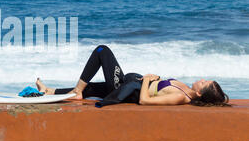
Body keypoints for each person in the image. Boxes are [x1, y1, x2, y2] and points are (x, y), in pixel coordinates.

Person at [36, 45, 230, 106]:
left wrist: (146, 80)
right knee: (95, 87)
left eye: (204, 83)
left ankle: (77, 91)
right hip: (127, 83)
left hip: (126, 90)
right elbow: (157, 88)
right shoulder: (185, 88)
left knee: (102, 51)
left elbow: (145, 101)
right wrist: (155, 79)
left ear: (199, 94)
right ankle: (50, 91)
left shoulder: (181, 96)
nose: (202, 79)